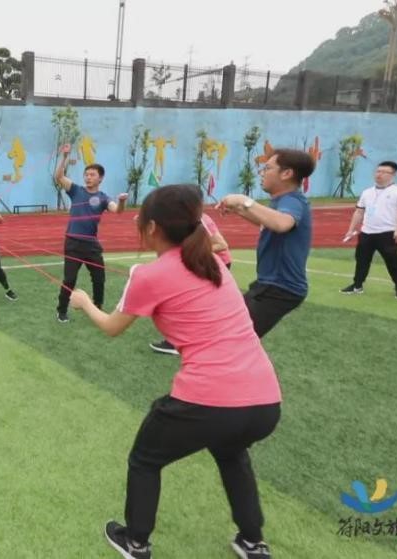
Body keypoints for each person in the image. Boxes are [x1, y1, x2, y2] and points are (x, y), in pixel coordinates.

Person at [69, 185, 281, 559]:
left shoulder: (148, 274)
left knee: (145, 459)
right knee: (231, 453)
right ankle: (253, 541)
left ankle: (136, 542)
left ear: (153, 227)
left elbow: (112, 327)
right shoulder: (212, 262)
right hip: (265, 402)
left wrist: (84, 301)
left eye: (141, 219)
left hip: (208, 399)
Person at [218, 149, 315, 338]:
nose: (261, 173)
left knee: (233, 339)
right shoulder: (282, 201)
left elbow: (282, 224)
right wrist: (239, 210)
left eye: (267, 168)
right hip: (270, 285)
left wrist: (244, 201)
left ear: (287, 173)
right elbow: (268, 223)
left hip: (281, 288)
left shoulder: (292, 200)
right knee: (229, 331)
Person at [54, 144, 128, 322]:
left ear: (100, 178)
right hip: (73, 243)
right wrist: (64, 157)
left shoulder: (103, 198)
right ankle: (61, 310)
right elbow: (59, 177)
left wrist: (121, 201)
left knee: (99, 278)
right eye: (86, 174)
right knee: (69, 279)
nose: (88, 177)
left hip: (91, 245)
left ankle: (98, 307)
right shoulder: (76, 190)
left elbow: (117, 210)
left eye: (92, 175)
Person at [149, 211, 232, 355]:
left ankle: (178, 343)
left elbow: (222, 245)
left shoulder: (201, 219)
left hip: (213, 266)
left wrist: (189, 252)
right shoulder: (183, 218)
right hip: (201, 264)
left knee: (185, 302)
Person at [341, 160, 397, 299]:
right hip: (367, 232)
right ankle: (357, 285)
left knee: (393, 261)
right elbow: (359, 211)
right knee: (362, 260)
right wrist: (351, 229)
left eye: (384, 172)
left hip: (387, 233)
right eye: (378, 171)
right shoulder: (367, 192)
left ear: (393, 174)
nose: (379, 174)